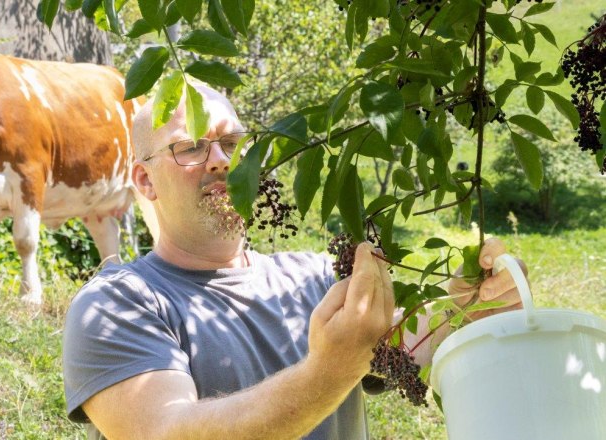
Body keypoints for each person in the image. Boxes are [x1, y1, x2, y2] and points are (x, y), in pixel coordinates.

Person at [62, 84, 526, 439]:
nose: (220, 161)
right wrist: (327, 374)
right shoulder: (116, 305)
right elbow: (167, 432)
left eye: (232, 143)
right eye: (191, 147)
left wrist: (471, 305)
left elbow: (405, 344)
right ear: (145, 181)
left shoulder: (314, 277)